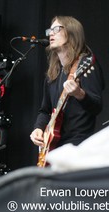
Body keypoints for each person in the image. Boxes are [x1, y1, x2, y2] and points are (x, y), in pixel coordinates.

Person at [30, 16, 104, 150]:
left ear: (72, 33)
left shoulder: (86, 64)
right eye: (50, 30)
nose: (51, 33)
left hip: (78, 146)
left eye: (57, 29)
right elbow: (45, 110)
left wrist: (80, 94)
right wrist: (38, 128)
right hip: (54, 147)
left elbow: (97, 107)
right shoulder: (53, 72)